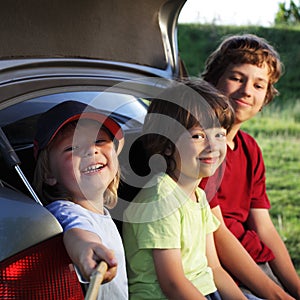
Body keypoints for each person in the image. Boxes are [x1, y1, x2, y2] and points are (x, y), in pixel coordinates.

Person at [123, 78, 249, 299]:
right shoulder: (160, 198)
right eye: (198, 136)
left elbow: (215, 269)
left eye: (219, 134)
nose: (213, 146)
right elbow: (173, 283)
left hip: (204, 291)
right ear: (167, 144)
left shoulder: (198, 195)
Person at [199, 33, 300, 299]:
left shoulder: (250, 149)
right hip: (220, 271)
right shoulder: (199, 148)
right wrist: (276, 294)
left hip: (255, 262)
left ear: (266, 97)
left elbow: (264, 227)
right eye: (237, 78)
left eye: (259, 85)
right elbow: (217, 234)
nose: (246, 91)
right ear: (213, 80)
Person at [32, 100, 128, 299]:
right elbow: (77, 233)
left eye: (99, 141)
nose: (91, 150)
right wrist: (87, 250)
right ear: (49, 173)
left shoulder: (101, 213)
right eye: (73, 147)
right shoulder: (65, 210)